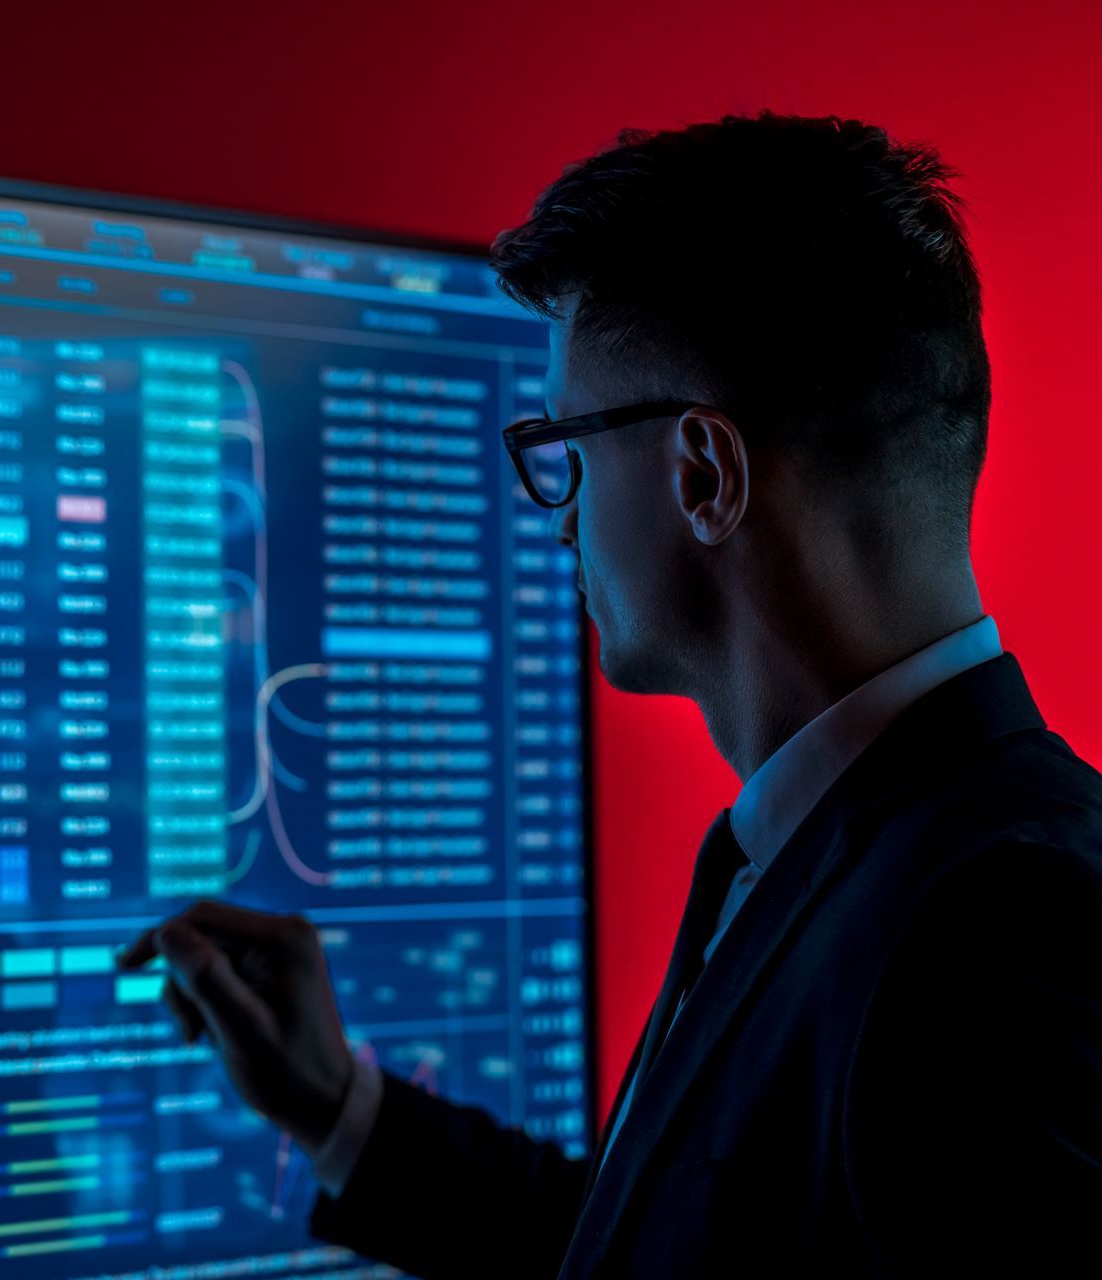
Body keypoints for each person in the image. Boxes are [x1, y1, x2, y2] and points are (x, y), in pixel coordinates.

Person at [119, 113, 1102, 1278]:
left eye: (567, 448)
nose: (563, 515)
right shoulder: (844, 850)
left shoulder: (1010, 926)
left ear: (703, 473)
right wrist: (338, 1102)